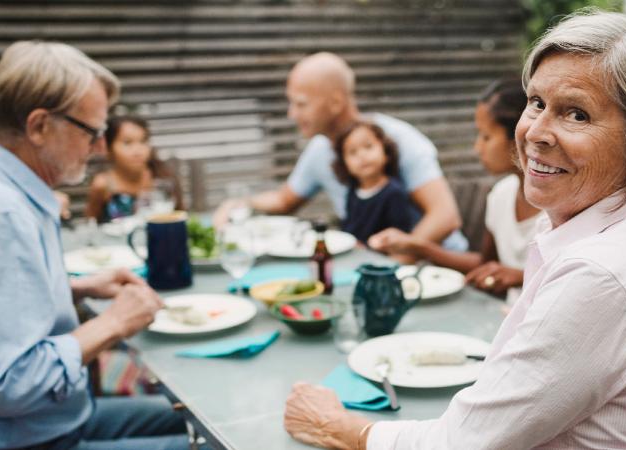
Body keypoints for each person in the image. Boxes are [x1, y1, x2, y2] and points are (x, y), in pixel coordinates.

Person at [283, 10, 626, 449]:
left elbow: (461, 443)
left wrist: (337, 426)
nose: (536, 134)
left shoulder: (603, 274)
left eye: (578, 115)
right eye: (537, 103)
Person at [0, 41, 188, 449]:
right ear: (39, 126)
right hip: (14, 438)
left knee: (187, 414)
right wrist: (114, 322)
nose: (99, 148)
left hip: (54, 419)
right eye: (92, 131)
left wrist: (78, 285)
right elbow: (10, 384)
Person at [213, 52, 467, 253]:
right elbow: (284, 201)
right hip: (371, 263)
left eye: (301, 104)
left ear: (335, 102)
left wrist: (395, 262)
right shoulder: (320, 149)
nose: (291, 114)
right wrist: (240, 203)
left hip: (434, 269)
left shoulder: (397, 139)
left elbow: (445, 217)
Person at [363, 81, 544, 303]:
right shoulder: (501, 195)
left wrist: (519, 277)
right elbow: (485, 266)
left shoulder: (559, 209)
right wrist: (420, 247)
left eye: (486, 136)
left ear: (520, 134)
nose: (477, 147)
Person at [332, 121, 421, 244]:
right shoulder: (353, 190)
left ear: (386, 151)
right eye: (352, 152)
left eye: (368, 147)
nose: (362, 155)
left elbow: (400, 237)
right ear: (344, 164)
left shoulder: (394, 194)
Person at [86, 115, 183, 223]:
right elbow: (91, 224)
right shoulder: (103, 184)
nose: (138, 151)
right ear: (109, 148)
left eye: (143, 141)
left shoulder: (161, 178)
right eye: (127, 143)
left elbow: (179, 217)